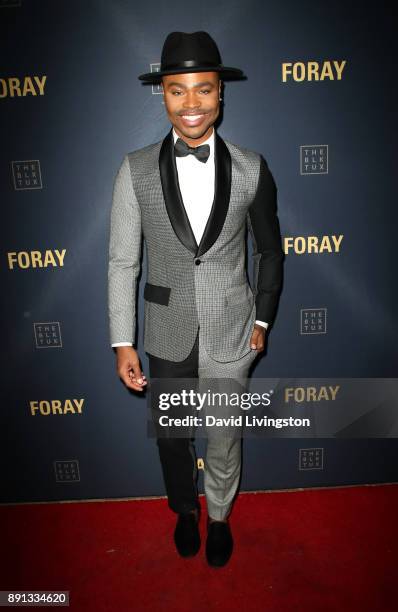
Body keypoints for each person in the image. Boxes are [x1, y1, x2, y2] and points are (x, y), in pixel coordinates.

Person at [108, 30, 284, 567]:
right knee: (171, 437)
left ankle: (221, 516)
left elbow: (271, 252)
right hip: (165, 330)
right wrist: (122, 340)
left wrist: (263, 320)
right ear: (162, 93)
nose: (191, 104)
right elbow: (122, 262)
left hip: (233, 332)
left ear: (220, 94)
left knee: (225, 437)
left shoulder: (253, 167)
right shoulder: (134, 168)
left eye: (203, 90)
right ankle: (185, 510)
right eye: (178, 90)